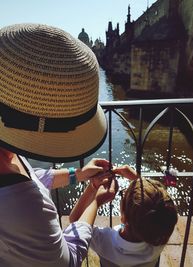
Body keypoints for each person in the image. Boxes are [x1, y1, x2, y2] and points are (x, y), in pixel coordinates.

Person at [0, 23, 110, 267]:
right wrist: (94, 200)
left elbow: (32, 177)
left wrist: (77, 174)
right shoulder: (27, 211)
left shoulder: (6, 152)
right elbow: (68, 260)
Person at [69, 165, 178, 267]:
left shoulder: (104, 240)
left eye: (124, 194)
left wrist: (94, 190)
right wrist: (138, 180)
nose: (124, 193)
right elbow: (159, 209)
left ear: (123, 217)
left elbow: (76, 221)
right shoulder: (157, 240)